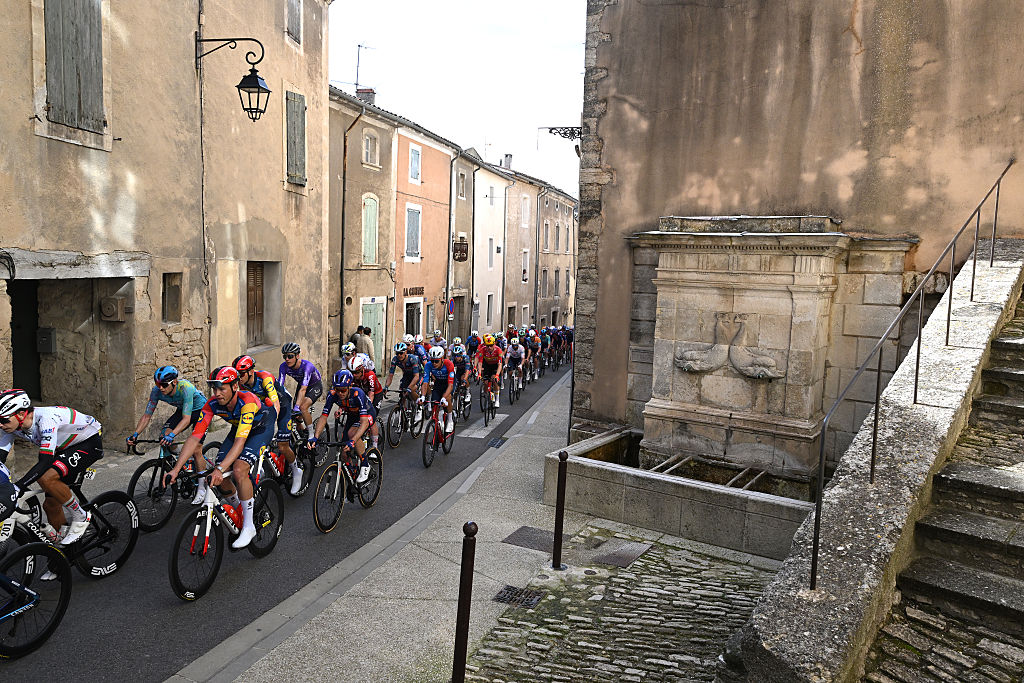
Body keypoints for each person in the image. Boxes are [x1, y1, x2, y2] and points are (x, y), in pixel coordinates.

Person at [164, 366, 274, 549]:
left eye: (222, 388)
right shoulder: (212, 404)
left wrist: (221, 469)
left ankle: (249, 526)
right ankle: (242, 506)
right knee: (220, 478)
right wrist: (175, 469)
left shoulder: (247, 402)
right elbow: (194, 438)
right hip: (238, 429)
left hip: (261, 429)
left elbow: (240, 442)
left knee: (238, 470)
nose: (217, 393)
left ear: (235, 386)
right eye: (215, 389)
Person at [0, 390, 101, 545]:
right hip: (62, 449)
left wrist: (18, 487)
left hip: (88, 442)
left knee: (46, 477)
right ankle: (62, 557)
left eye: (3, 420)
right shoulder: (12, 427)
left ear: (20, 414)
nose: (0, 424)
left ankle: (81, 516)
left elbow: (45, 461)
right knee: (51, 506)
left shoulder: (46, 419)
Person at [126, 366, 211, 504]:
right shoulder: (156, 392)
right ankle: (184, 458)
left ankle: (202, 488)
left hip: (201, 411)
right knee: (163, 437)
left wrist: (172, 435)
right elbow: (147, 416)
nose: (160, 388)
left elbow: (186, 419)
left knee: (196, 449)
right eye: (158, 384)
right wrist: (135, 434)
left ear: (174, 382)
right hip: (183, 410)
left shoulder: (185, 388)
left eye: (164, 385)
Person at [233, 355, 303, 495]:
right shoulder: (240, 384)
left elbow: (276, 405)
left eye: (240, 374)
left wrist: (272, 428)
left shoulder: (265, 378)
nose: (238, 378)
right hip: (263, 407)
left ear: (251, 371)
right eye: (236, 375)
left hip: (281, 404)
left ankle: (296, 470)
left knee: (282, 445)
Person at [309, 371, 375, 484]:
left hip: (366, 414)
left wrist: (353, 441)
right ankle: (352, 475)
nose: (340, 393)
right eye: (337, 389)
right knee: (343, 453)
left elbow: (363, 422)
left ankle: (365, 464)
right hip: (351, 415)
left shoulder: (358, 394)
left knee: (352, 434)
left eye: (343, 390)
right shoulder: (332, 394)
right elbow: (323, 417)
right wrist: (315, 437)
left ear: (350, 387)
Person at [278, 342, 323, 440]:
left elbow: (303, 389)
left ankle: (311, 435)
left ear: (297, 356)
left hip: (314, 386)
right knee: (295, 418)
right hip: (301, 385)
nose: (287, 359)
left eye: (290, 356)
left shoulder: (307, 366)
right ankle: (301, 436)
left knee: (302, 408)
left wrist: (297, 407)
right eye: (285, 356)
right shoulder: (283, 366)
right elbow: (279, 386)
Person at [349, 355, 384, 450]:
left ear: (362, 369)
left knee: (371, 418)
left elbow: (371, 393)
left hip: (376, 394)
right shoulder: (352, 377)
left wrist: (368, 409)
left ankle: (374, 447)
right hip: (363, 393)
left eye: (356, 373)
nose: (354, 375)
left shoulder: (370, 375)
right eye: (352, 373)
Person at [420, 346, 456, 433]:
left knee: (447, 398)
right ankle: (437, 422)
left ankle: (450, 420)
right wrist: (423, 396)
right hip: (438, 383)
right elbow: (425, 382)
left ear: (442, 359)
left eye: (436, 361)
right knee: (434, 402)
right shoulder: (428, 365)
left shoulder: (449, 364)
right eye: (432, 361)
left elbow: (450, 385)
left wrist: (444, 397)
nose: (434, 363)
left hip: (449, 383)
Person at [474, 334, 505, 408]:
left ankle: (497, 400)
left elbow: (500, 364)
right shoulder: (483, 349)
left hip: (495, 365)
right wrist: (479, 373)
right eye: (487, 345)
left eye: (491, 345)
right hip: (487, 365)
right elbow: (480, 362)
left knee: (494, 380)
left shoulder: (498, 350)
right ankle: (487, 394)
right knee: (485, 382)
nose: (489, 347)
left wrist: (497, 375)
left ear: (494, 344)